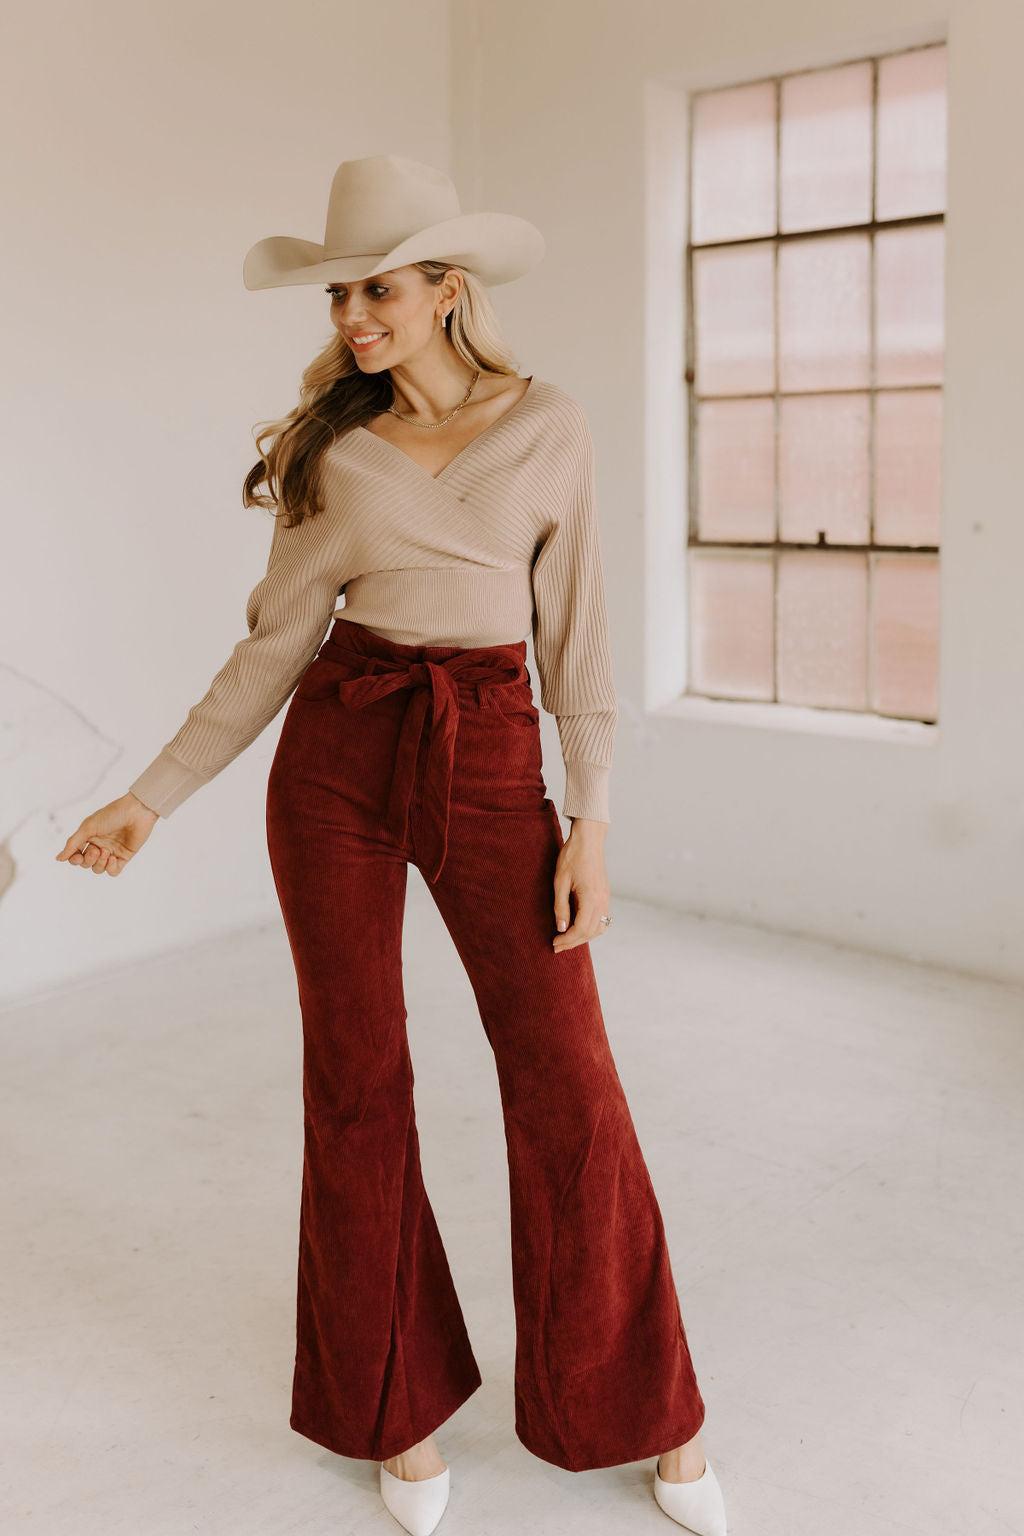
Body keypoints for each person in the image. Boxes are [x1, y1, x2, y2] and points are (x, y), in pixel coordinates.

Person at [55, 155, 727, 1536]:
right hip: (339, 755)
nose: (354, 317)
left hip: (488, 747)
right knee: (356, 1081)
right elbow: (273, 647)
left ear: (447, 290)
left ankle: (642, 1407)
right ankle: (393, 1411)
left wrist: (590, 822)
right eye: (339, 295)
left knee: (568, 1081)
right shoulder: (330, 449)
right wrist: (151, 795)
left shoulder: (549, 425)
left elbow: (579, 637)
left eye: (378, 290)